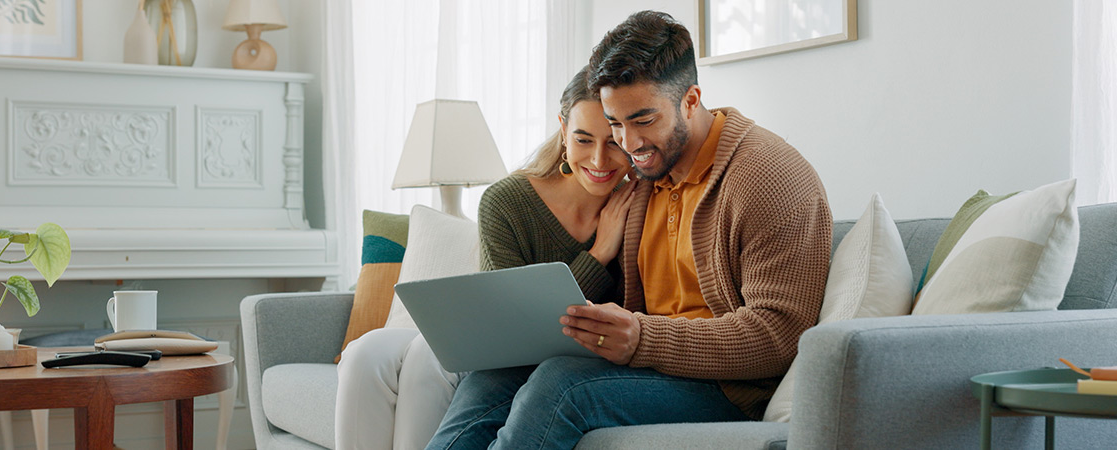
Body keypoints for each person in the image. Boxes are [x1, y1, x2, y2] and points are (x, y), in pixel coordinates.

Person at [427, 10, 832, 450]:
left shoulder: (767, 176)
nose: (628, 143)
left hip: (728, 387)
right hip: (652, 366)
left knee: (561, 384)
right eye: (615, 122)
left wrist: (643, 337)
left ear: (691, 100)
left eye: (643, 120)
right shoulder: (647, 176)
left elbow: (780, 335)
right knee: (491, 380)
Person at [334, 67, 636, 450]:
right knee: (367, 354)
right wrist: (598, 254)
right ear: (563, 130)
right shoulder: (507, 202)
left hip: (568, 362)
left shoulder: (637, 206)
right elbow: (513, 332)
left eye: (613, 142)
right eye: (583, 139)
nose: (599, 158)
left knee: (428, 360)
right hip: (501, 352)